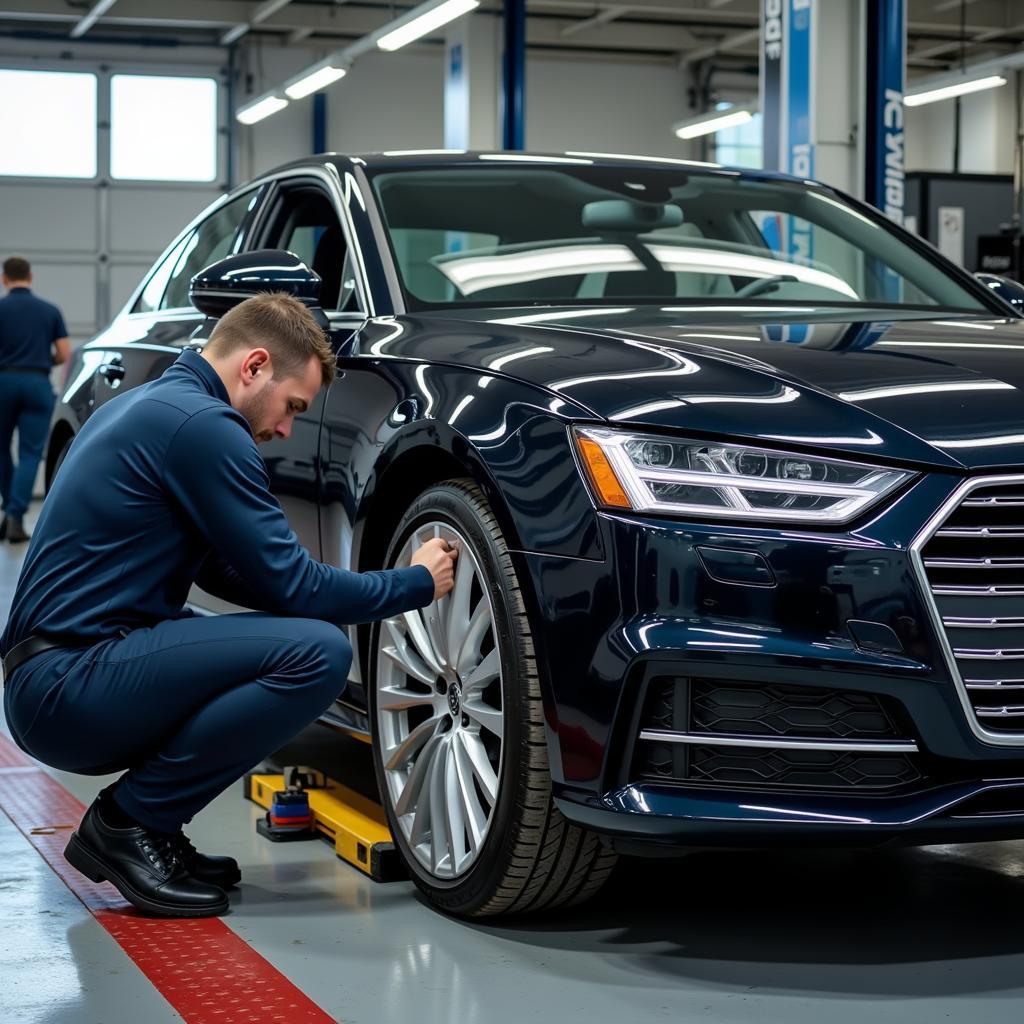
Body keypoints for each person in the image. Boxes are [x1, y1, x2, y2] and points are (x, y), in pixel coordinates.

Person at [0, 292, 457, 919]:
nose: (287, 428)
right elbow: (295, 588)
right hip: (68, 685)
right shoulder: (204, 427)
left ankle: (152, 827)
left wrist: (298, 593)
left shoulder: (153, 406)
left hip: (55, 678)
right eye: (293, 405)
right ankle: (128, 824)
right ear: (254, 366)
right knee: (316, 651)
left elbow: (239, 574)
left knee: (289, 635)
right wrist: (413, 583)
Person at [0, 256, 71, 543]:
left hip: (3, 381)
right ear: (30, 276)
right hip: (37, 382)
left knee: (1, 449)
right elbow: (64, 353)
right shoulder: (49, 311)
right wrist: (41, 360)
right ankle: (16, 516)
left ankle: (9, 510)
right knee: (31, 452)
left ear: (4, 278)